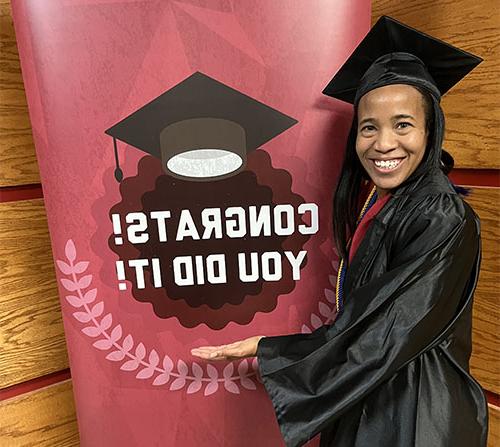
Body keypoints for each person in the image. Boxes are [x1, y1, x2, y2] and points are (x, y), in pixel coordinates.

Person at [191, 16, 488, 447]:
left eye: (403, 124)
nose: (383, 143)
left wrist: (276, 351)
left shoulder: (441, 215)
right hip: (373, 394)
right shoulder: (384, 198)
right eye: (369, 127)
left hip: (414, 413)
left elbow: (389, 329)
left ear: (430, 130)